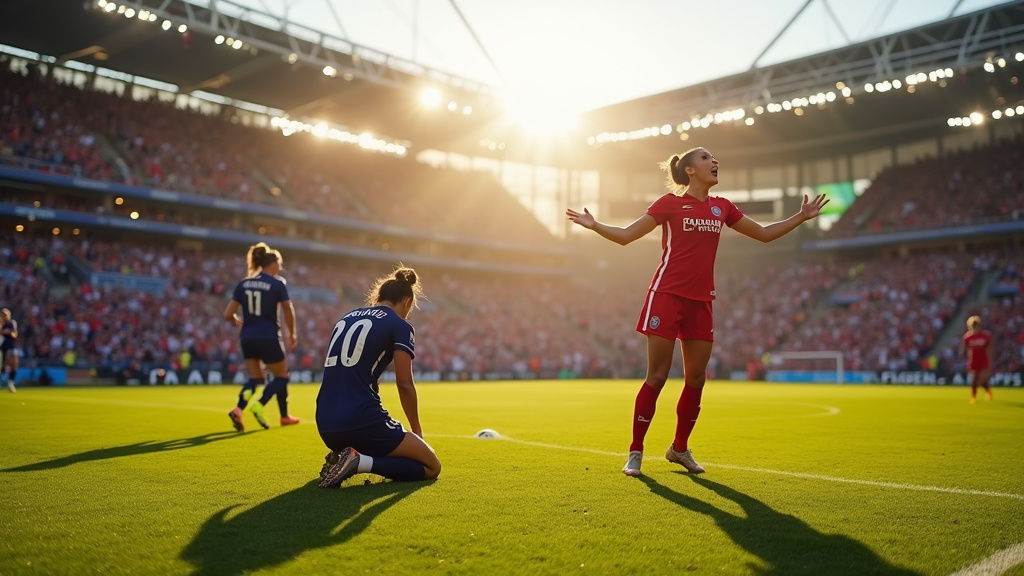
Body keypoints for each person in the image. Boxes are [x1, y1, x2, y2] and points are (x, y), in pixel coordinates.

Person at [566, 147, 827, 477]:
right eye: (706, 158)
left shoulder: (723, 208)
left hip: (701, 301)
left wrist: (800, 217)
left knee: (697, 379)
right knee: (657, 376)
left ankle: (679, 448)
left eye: (715, 158)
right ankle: (635, 451)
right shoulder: (669, 204)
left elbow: (762, 234)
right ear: (689, 170)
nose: (714, 161)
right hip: (666, 295)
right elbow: (628, 236)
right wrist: (594, 225)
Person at [316, 266, 441, 488]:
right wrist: (417, 430)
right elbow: (404, 384)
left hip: (326, 425)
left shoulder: (345, 318)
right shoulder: (399, 325)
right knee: (432, 466)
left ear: (378, 297)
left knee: (387, 445)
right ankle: (359, 461)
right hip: (361, 422)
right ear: (407, 301)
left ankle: (344, 456)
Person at [223, 242, 300, 431]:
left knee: (256, 378)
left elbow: (227, 315)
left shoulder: (244, 284)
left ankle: (239, 408)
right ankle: (261, 403)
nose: (280, 267)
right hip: (268, 337)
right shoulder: (277, 283)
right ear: (272, 263)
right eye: (279, 263)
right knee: (282, 376)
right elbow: (288, 311)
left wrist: (239, 322)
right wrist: (292, 333)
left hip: (247, 337)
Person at [962, 315, 994, 404]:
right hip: (973, 361)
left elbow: (991, 347)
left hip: (984, 361)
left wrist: (991, 357)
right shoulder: (967, 337)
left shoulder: (985, 336)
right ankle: (974, 397)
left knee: (982, 380)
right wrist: (963, 355)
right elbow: (964, 348)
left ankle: (988, 390)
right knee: (974, 380)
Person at [1, 308, 19, 392]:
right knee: (3, 366)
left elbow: (14, 333)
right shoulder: (1, 323)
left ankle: (11, 383)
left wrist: (8, 332)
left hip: (11, 346)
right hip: (2, 347)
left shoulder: (12, 323)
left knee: (14, 365)